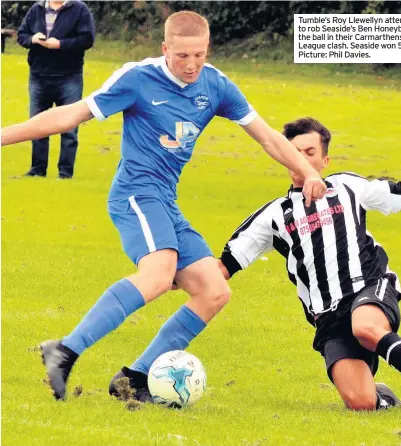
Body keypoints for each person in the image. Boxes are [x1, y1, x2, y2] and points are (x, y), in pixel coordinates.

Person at [1, 11, 327, 401]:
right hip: (136, 194)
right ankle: (65, 351)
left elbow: (268, 138)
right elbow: (70, 114)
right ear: (165, 48)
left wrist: (307, 171)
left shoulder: (216, 84)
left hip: (165, 200)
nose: (191, 65)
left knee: (214, 291)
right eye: (182, 56)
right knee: (158, 275)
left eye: (199, 55)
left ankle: (133, 379)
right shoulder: (138, 79)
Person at [217, 117, 401, 411]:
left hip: (368, 287)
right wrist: (174, 271)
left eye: (309, 152)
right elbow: (223, 267)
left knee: (365, 327)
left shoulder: (348, 187)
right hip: (329, 317)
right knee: (361, 403)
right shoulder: (274, 216)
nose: (300, 159)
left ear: (325, 159)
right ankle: (385, 400)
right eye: (293, 152)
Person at [17, 0, 95, 179]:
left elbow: (87, 39)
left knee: (69, 126)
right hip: (38, 75)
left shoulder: (79, 10)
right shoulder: (36, 9)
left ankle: (65, 173)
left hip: (69, 76)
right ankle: (37, 170)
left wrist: (60, 44)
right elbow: (21, 35)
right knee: (36, 125)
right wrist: (33, 39)